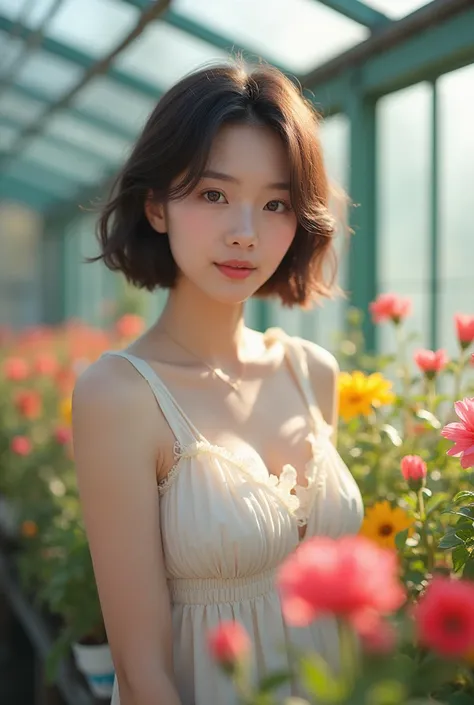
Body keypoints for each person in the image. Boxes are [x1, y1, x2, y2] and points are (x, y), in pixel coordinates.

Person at [72, 61, 364, 705]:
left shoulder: (311, 371)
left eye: (275, 203)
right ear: (155, 206)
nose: (245, 232)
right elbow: (143, 672)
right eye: (213, 194)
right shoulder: (120, 396)